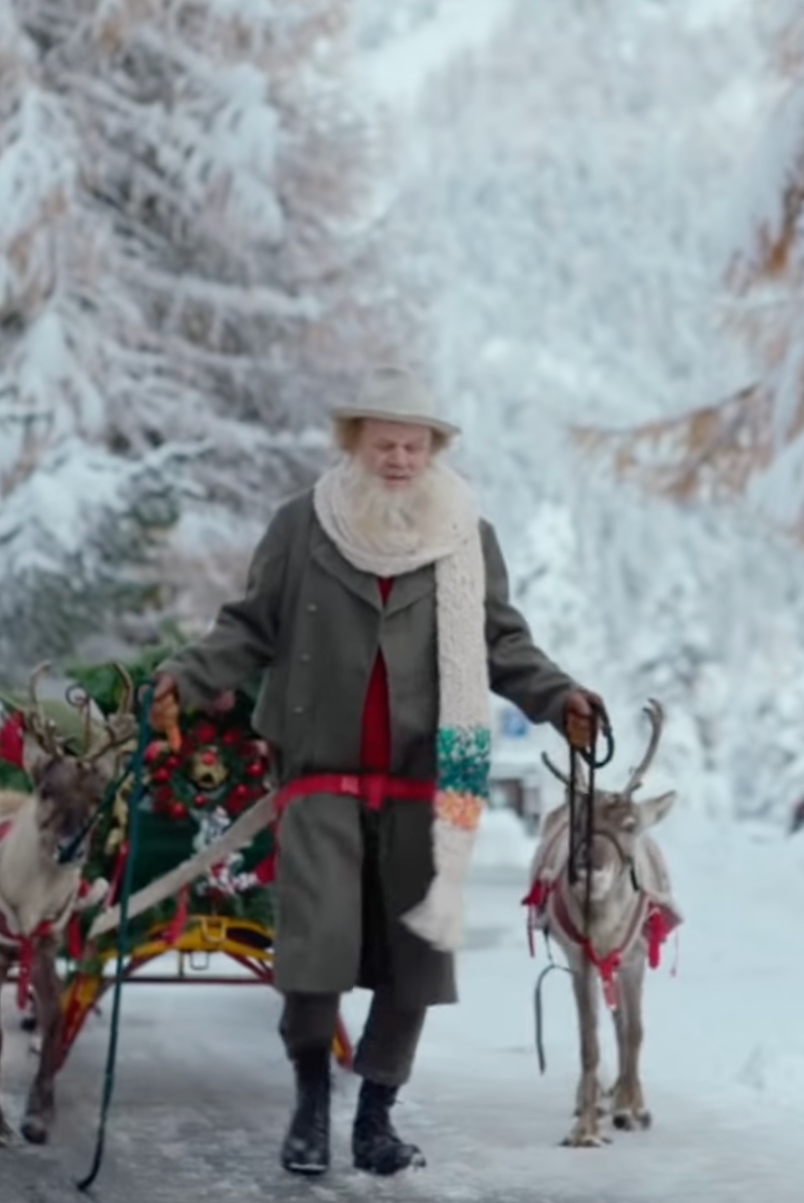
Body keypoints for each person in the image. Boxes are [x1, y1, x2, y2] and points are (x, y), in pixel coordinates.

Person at [151, 367, 602, 1176]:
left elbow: (501, 642)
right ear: (353, 442)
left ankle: (376, 1116)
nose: (399, 457)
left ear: (433, 449)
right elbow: (250, 627)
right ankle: (309, 1103)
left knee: (417, 949)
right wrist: (183, 677)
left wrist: (557, 694)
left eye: (414, 443)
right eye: (384, 442)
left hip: (427, 778)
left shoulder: (467, 536)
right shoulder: (302, 526)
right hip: (319, 774)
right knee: (314, 947)